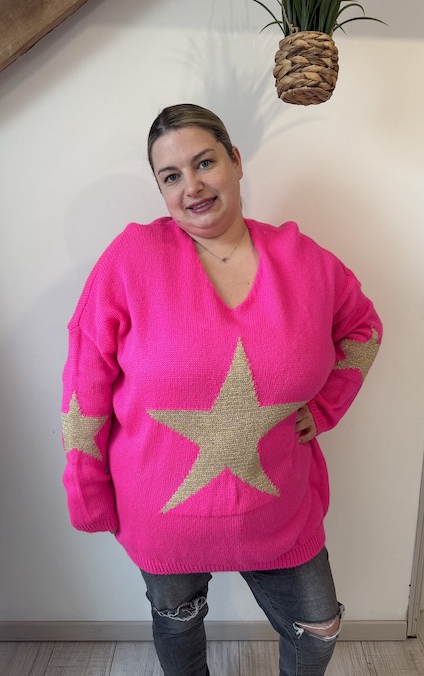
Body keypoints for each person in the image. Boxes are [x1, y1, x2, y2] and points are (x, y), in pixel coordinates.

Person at [61, 103, 382, 676]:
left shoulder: (304, 261)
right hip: (160, 510)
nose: (192, 186)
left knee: (318, 628)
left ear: (235, 160)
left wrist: (325, 406)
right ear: (160, 189)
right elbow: (84, 381)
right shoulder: (131, 260)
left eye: (204, 162)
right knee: (177, 622)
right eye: (171, 176)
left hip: (280, 506)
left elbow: (362, 328)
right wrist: (88, 492)